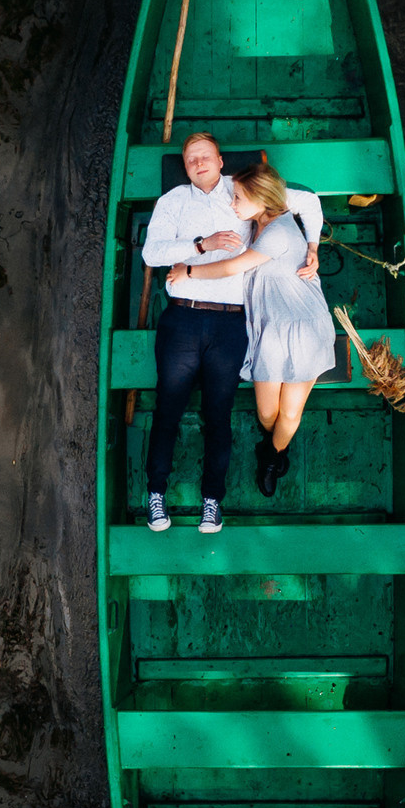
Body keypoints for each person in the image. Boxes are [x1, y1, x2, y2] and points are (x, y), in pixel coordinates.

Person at [167, 154, 333, 498]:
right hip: (270, 328)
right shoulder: (257, 215)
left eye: (238, 198)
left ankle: (271, 457)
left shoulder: (279, 231)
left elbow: (233, 267)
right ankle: (274, 443)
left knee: (290, 413)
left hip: (303, 326)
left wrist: (189, 271)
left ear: (261, 199)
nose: (233, 203)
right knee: (267, 412)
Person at [138, 132, 248, 533]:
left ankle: (212, 501)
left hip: (231, 322)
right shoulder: (174, 201)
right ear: (185, 168)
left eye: (205, 156)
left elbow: (290, 205)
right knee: (168, 407)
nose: (198, 163)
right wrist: (201, 245)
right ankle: (155, 493)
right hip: (183, 317)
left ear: (221, 160)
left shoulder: (242, 192)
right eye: (190, 160)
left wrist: (312, 246)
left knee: (218, 413)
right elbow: (152, 253)